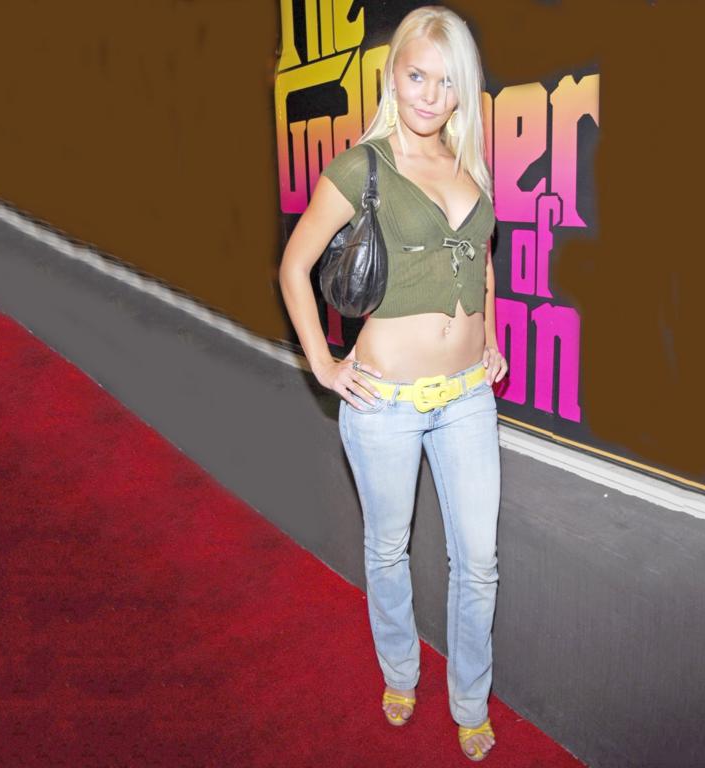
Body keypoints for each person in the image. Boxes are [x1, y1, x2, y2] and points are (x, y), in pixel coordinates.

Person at [278, 5, 507, 761]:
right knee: (388, 550)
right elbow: (295, 265)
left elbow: (481, 260)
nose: (430, 95)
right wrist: (322, 364)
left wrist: (491, 338)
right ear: (392, 75)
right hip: (385, 403)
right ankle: (401, 673)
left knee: (479, 562)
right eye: (417, 75)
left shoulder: (469, 166)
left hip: (467, 397)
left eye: (447, 81)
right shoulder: (363, 167)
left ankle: (470, 698)